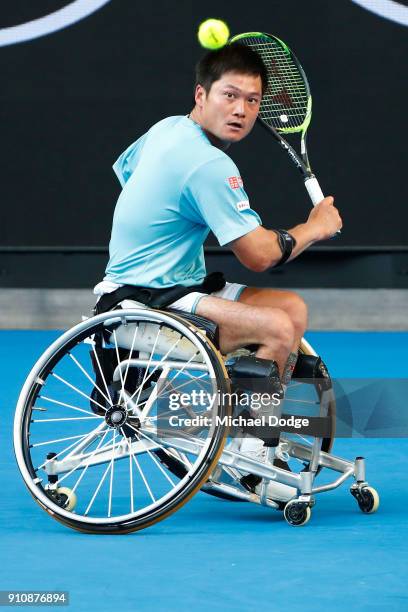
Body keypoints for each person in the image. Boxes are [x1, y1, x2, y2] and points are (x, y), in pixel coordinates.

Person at [94, 44, 342, 388]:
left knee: (291, 308)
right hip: (147, 303)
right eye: (230, 95)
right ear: (201, 94)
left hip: (173, 285)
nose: (240, 110)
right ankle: (252, 431)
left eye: (252, 101)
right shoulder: (209, 164)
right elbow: (260, 256)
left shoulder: (167, 128)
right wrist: (314, 228)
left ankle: (244, 399)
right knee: (277, 328)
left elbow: (131, 177)